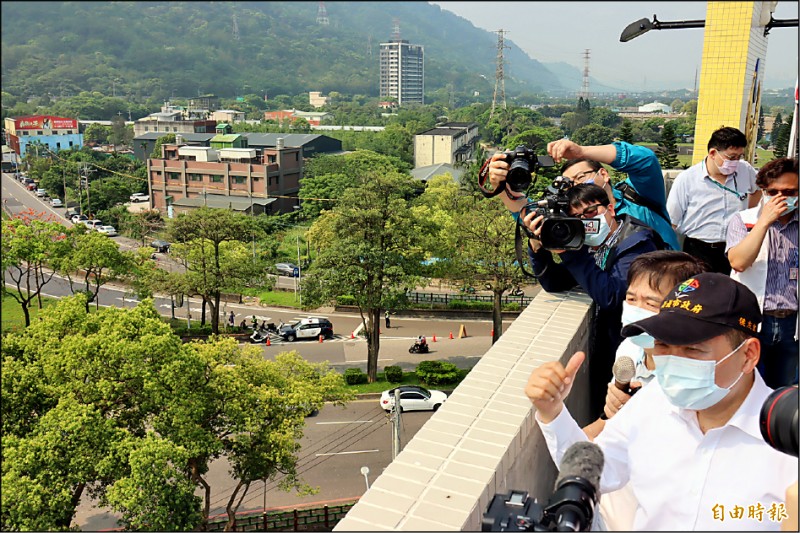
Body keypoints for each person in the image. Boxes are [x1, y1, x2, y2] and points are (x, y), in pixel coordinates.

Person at [525, 272, 797, 530]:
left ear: (748, 355)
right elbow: (594, 471)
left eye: (693, 349)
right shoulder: (652, 404)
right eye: (664, 346)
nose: (674, 362)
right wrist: (552, 411)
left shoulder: (786, 444)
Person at [579, 250, 708, 531]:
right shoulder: (629, 348)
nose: (636, 309)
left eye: (650, 303)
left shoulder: (694, 375)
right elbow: (610, 425)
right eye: (631, 298)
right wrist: (607, 416)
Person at [511, 182, 666, 409]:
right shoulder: (593, 244)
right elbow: (555, 283)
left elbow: (612, 296)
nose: (587, 220)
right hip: (611, 344)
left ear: (610, 209)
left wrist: (570, 253)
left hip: (638, 350)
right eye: (578, 218)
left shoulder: (637, 243)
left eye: (591, 211)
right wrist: (537, 247)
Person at [726, 157, 798, 388]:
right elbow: (738, 262)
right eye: (773, 192)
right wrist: (764, 223)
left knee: (784, 389)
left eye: (788, 192)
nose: (780, 198)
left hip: (791, 323)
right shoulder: (743, 221)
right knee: (746, 385)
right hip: (753, 320)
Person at [667, 126, 761, 273]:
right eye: (731, 157)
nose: (736, 162)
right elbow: (672, 220)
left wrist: (748, 214)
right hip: (698, 248)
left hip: (734, 247)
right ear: (713, 153)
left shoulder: (745, 170)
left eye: (739, 157)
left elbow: (757, 191)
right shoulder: (687, 179)